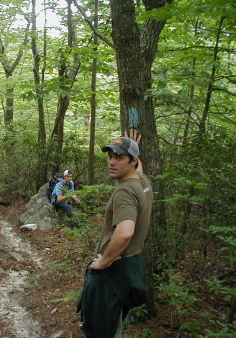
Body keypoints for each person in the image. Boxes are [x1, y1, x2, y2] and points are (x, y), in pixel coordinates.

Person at [77, 129, 153, 338]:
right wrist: (133, 147)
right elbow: (140, 170)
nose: (112, 162)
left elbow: (126, 232)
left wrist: (104, 261)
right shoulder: (142, 183)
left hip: (112, 273)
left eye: (119, 157)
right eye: (110, 156)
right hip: (130, 268)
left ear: (132, 161)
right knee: (113, 324)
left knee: (101, 330)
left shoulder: (124, 191)